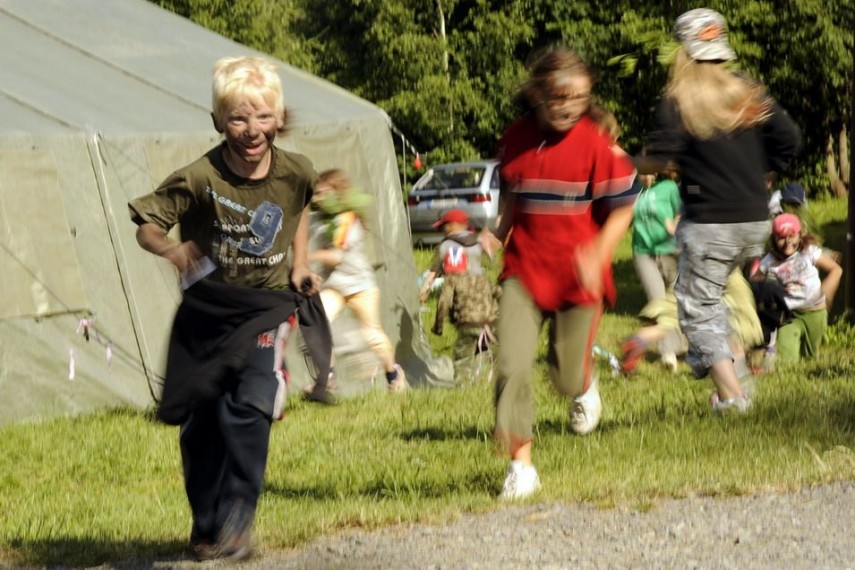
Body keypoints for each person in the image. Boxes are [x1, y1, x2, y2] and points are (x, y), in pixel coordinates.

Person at [128, 56, 332, 561]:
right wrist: (171, 249)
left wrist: (300, 264)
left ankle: (239, 518)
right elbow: (147, 225)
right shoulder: (200, 176)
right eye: (238, 118)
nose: (251, 129)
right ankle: (207, 523)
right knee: (204, 422)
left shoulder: (297, 171)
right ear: (219, 121)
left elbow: (299, 205)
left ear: (279, 118)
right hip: (208, 311)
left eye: (262, 116)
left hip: (267, 306)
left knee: (250, 402)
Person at [480, 46, 639, 499]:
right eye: (560, 97)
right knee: (511, 364)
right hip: (524, 271)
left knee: (564, 376)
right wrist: (499, 231)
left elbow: (623, 206)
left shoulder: (595, 143)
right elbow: (515, 192)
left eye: (579, 97)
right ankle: (521, 467)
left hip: (577, 277)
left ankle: (584, 385)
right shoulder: (516, 137)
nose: (570, 106)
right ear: (538, 94)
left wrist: (599, 252)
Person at [638, 8, 801, 413]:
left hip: (710, 223)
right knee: (715, 303)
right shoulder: (746, 90)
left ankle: (732, 398)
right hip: (754, 220)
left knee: (696, 312)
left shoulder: (679, 99)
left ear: (684, 51)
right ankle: (739, 381)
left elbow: (662, 157)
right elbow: (790, 138)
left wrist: (624, 162)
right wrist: (762, 171)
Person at [306, 168, 407, 396]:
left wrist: (307, 257)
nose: (317, 198)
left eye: (323, 193)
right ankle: (327, 378)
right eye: (316, 193)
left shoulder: (347, 219)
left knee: (372, 335)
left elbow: (335, 257)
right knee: (317, 323)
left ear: (337, 192)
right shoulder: (317, 219)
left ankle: (393, 374)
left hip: (360, 286)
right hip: (333, 286)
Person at [752, 213, 842, 363]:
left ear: (800, 235)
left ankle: (807, 371)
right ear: (773, 239)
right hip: (790, 315)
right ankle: (785, 371)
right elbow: (755, 281)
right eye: (781, 237)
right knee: (787, 356)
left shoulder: (809, 252)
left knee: (810, 357)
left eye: (791, 236)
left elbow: (836, 270)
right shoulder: (770, 260)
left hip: (815, 313)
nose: (787, 242)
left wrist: (827, 293)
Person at [621, 167, 682, 372]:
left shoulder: (669, 187)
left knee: (676, 302)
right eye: (643, 173)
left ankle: (680, 345)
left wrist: (674, 225)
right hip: (643, 253)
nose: (647, 177)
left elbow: (683, 210)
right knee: (657, 301)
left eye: (650, 173)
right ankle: (668, 352)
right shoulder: (633, 191)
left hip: (670, 252)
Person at [431, 252, 501, 385]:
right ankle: (483, 382)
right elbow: (499, 293)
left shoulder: (451, 279)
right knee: (484, 353)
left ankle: (462, 387)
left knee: (463, 359)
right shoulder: (480, 277)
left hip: (469, 325)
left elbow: (444, 303)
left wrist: (438, 327)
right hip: (491, 325)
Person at [418, 209, 487, 303]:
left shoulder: (445, 245)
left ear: (450, 226)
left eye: (443, 227)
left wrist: (423, 292)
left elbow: (433, 273)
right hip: (479, 289)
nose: (443, 230)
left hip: (455, 293)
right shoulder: (478, 243)